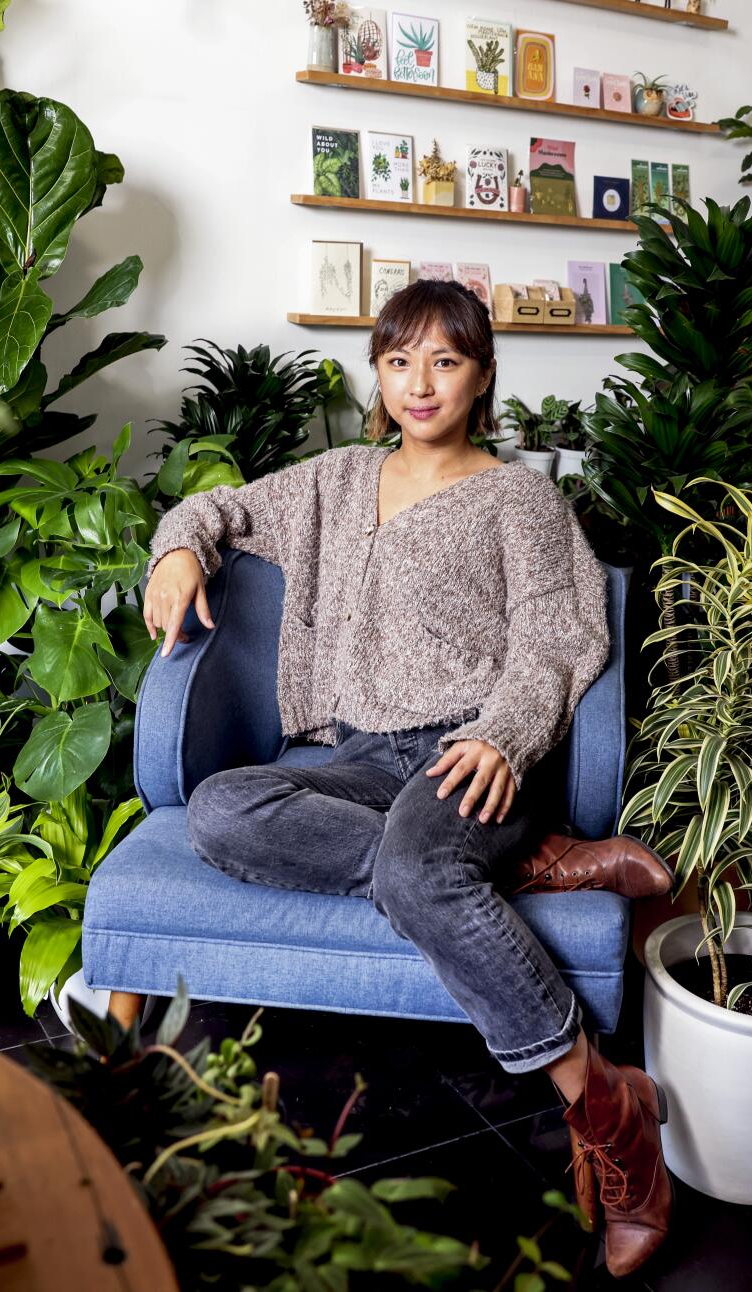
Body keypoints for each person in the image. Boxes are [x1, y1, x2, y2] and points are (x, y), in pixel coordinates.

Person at [139, 280, 672, 1276]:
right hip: (355, 755)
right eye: (397, 360)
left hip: (466, 752)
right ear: (376, 374)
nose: (417, 383)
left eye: (443, 360)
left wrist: (505, 739)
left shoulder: (520, 498)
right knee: (221, 808)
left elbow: (559, 637)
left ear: (481, 375)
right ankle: (527, 866)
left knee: (424, 869)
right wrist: (177, 550)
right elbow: (215, 506)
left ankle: (607, 1107)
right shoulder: (336, 479)